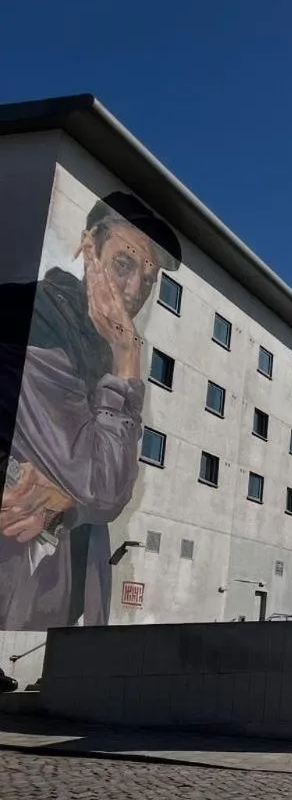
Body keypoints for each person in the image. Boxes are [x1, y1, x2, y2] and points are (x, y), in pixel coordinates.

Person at [0, 191, 181, 629]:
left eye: (148, 278)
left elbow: (101, 498)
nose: (135, 290)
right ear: (88, 248)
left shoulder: (91, 344)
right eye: (123, 264)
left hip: (55, 602)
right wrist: (126, 356)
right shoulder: (36, 324)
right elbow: (103, 489)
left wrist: (68, 501)